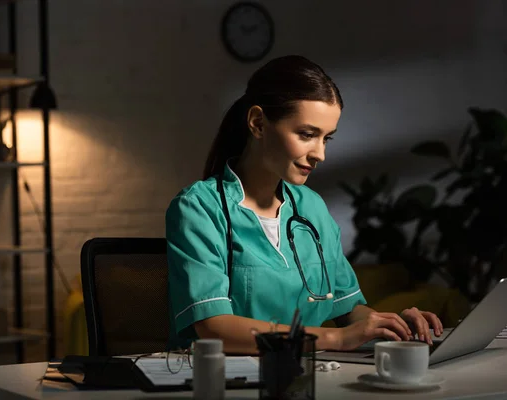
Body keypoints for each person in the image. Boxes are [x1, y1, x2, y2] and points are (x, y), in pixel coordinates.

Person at [165, 55, 443, 355]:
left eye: (327, 139)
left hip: (313, 374)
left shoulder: (312, 208)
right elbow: (213, 327)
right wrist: (336, 339)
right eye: (307, 135)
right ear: (258, 123)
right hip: (228, 382)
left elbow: (348, 308)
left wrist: (391, 326)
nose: (320, 154)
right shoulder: (199, 209)